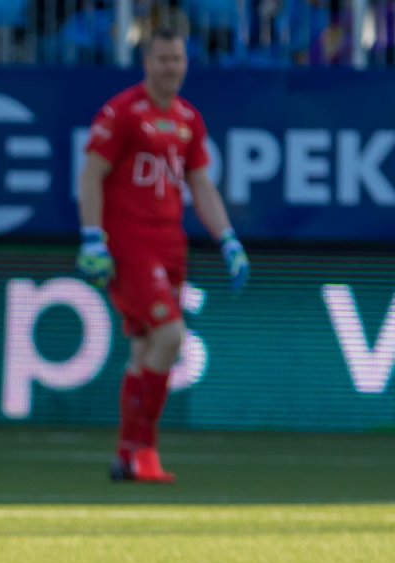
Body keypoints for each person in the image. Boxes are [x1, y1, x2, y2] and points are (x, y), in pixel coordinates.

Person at [77, 27, 249, 484]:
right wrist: (92, 237)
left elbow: (200, 184)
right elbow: (92, 174)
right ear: (146, 63)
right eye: (164, 59)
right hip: (130, 243)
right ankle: (143, 448)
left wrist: (227, 238)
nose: (172, 67)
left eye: (179, 59)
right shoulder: (123, 112)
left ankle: (127, 456)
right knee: (171, 336)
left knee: (144, 349)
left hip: (171, 242)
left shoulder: (189, 118)